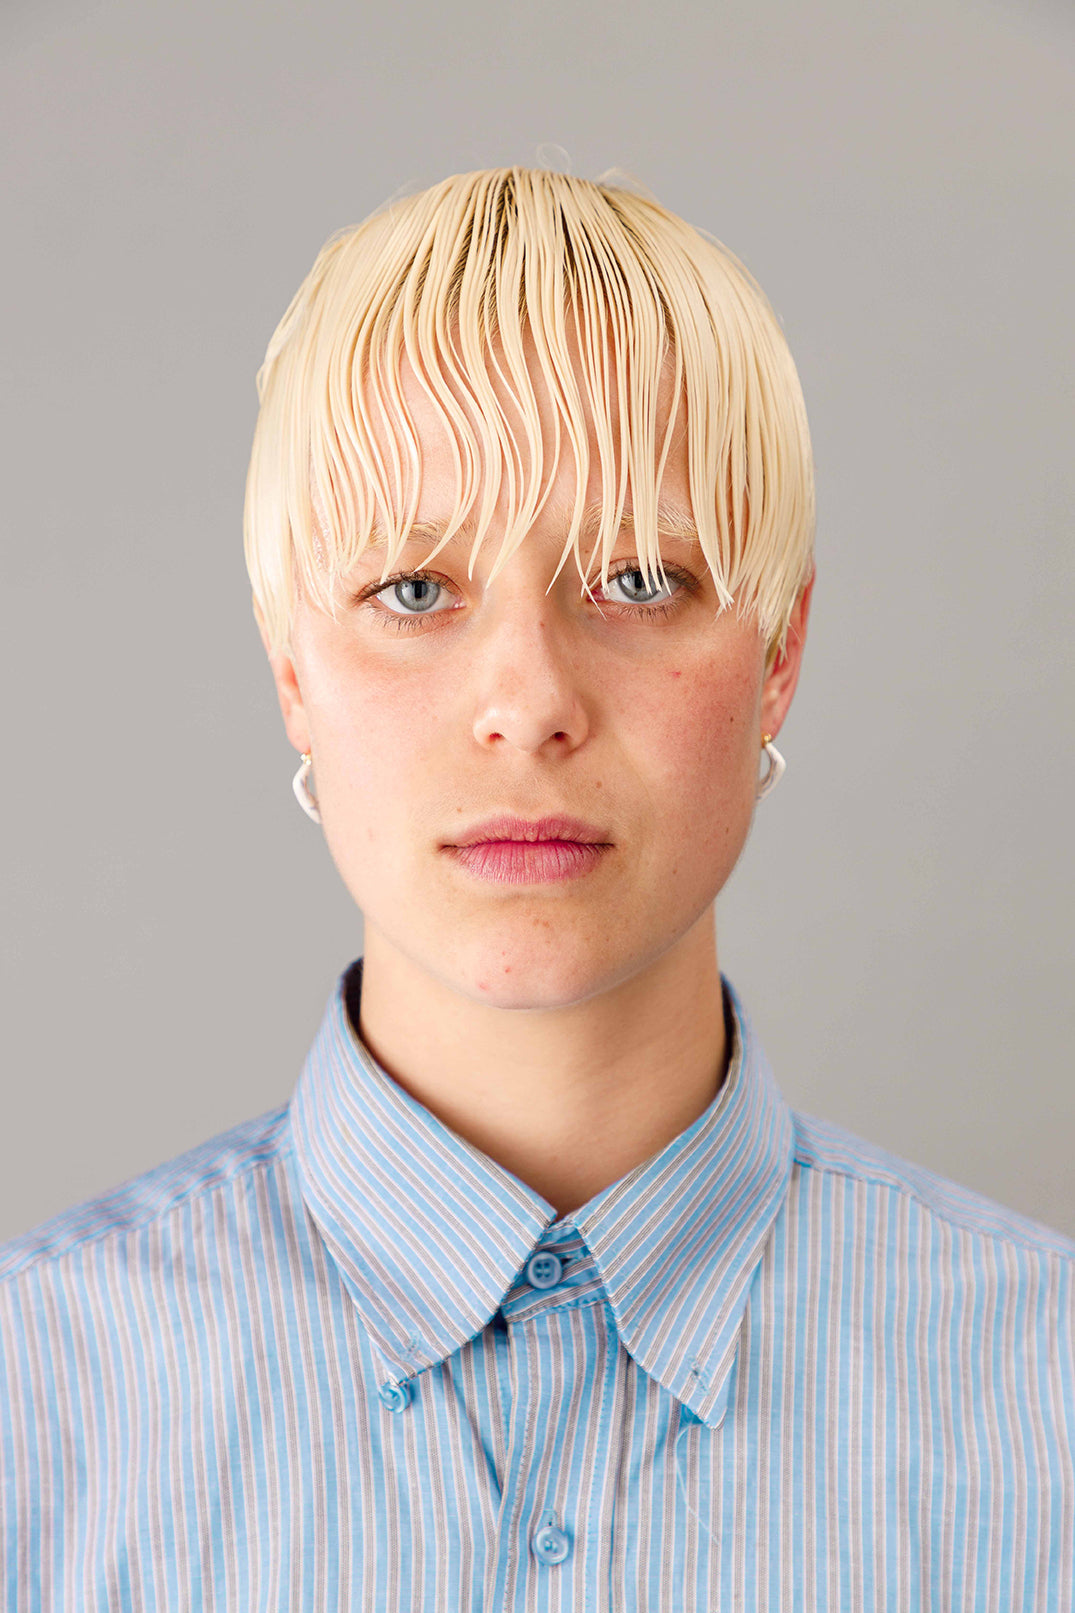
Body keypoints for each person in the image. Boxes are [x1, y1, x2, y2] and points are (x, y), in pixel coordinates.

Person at [1, 166, 1072, 1610]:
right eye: (414, 591)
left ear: (782, 656)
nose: (528, 702)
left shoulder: (1047, 1400)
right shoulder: (34, 1410)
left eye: (636, 578)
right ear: (292, 673)